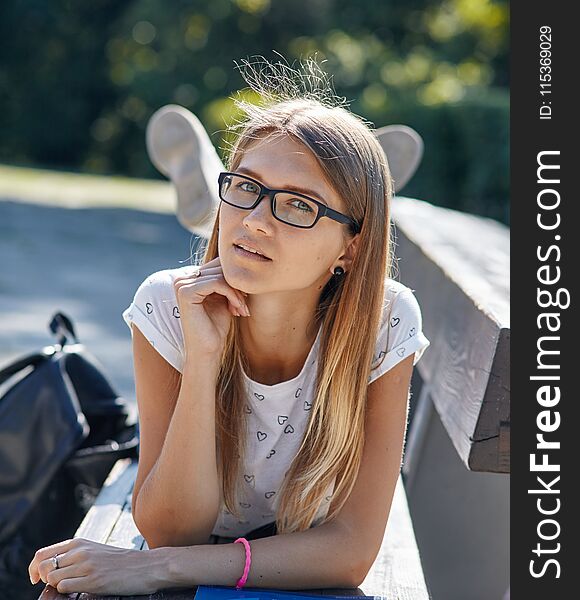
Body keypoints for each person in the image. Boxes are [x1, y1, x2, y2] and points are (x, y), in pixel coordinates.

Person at [28, 56, 430, 596]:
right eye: (245, 187)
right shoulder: (167, 304)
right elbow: (172, 531)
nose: (257, 219)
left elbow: (351, 550)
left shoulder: (384, 321)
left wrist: (158, 568)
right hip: (251, 544)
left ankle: (345, 181)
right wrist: (202, 360)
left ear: (353, 249)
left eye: (298, 205)